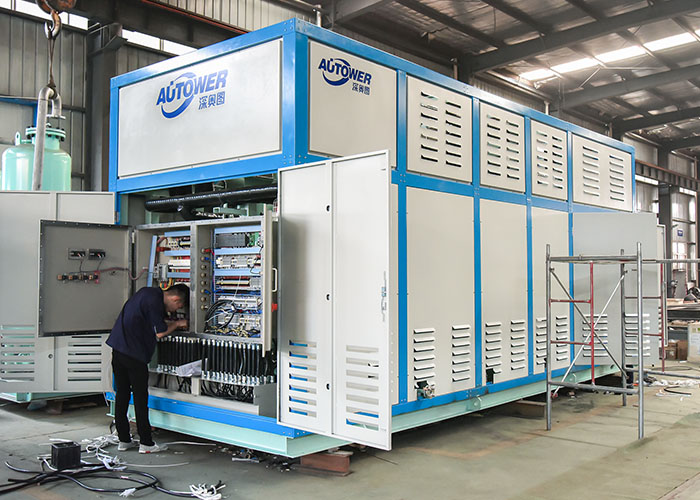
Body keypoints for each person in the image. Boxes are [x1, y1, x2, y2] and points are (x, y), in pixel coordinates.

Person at [106, 284, 189, 453]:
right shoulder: (155, 302)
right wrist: (178, 323)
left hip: (118, 349)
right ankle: (146, 443)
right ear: (175, 299)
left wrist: (169, 322)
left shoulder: (147, 293)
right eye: (178, 306)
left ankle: (124, 440)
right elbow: (160, 332)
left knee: (122, 395)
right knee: (140, 397)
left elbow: (147, 320)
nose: (175, 310)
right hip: (134, 355)